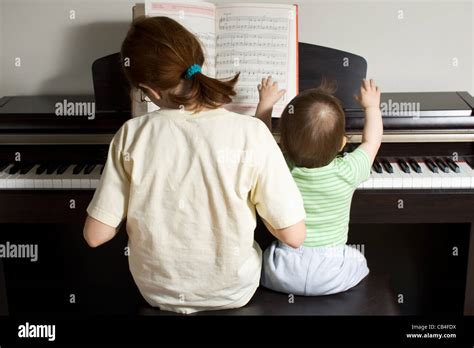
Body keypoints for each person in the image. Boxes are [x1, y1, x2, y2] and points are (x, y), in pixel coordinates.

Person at [82, 16, 306, 314]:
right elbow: (294, 236)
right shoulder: (252, 133)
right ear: (198, 62)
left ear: (150, 91)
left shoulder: (132, 134)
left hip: (156, 294)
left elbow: (95, 236)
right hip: (235, 293)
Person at [257, 77, 383, 295]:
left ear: (283, 143)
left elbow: (261, 138)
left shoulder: (279, 167)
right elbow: (372, 141)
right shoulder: (349, 170)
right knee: (359, 259)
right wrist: (371, 107)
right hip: (332, 273)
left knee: (258, 256)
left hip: (283, 270)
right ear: (342, 144)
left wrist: (266, 105)